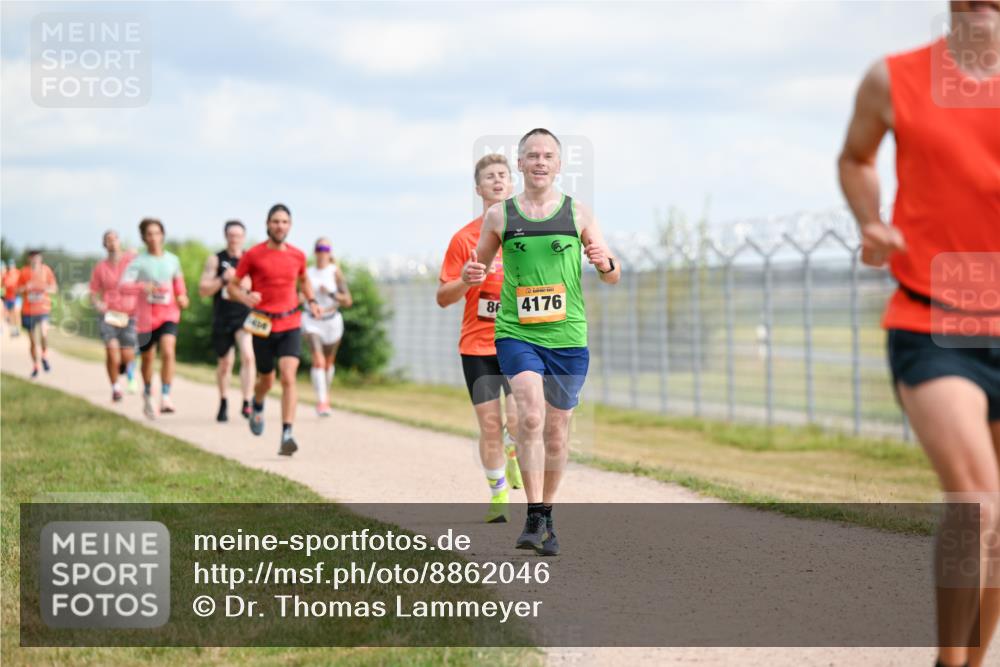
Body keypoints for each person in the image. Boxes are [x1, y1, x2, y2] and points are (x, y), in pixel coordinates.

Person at [838, 4, 999, 666]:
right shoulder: (894, 79)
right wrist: (870, 220)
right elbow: (855, 158)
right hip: (931, 319)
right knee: (979, 508)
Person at [463, 129, 620, 554]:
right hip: (516, 332)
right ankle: (533, 514)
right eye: (532, 155)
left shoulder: (579, 214)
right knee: (530, 416)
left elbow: (610, 273)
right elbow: (475, 266)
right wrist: (470, 275)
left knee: (557, 429)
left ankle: (546, 512)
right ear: (520, 163)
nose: (540, 161)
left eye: (548, 155)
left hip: (568, 335)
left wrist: (605, 263)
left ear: (558, 163)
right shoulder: (500, 216)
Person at [438, 153, 523, 524]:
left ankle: (515, 450)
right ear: (479, 188)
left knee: (522, 421)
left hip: (519, 341)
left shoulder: (526, 234)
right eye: (490, 177)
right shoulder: (464, 238)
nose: (498, 181)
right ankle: (498, 491)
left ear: (512, 182)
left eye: (503, 175)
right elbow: (443, 297)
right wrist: (465, 281)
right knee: (490, 424)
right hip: (477, 345)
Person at [230, 204, 322, 456]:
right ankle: (257, 402)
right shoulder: (253, 255)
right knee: (267, 380)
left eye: (284, 222)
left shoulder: (298, 256)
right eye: (275, 221)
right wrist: (245, 297)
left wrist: (312, 301)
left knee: (288, 376)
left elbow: (304, 281)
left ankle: (287, 434)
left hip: (291, 321)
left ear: (289, 226)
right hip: (262, 323)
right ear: (267, 224)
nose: (280, 226)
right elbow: (232, 287)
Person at [121, 218, 190, 419]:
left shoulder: (173, 260)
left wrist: (183, 297)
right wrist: (142, 286)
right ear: (144, 237)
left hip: (169, 314)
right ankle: (148, 392)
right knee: (148, 358)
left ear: (162, 235)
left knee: (168, 350)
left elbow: (179, 285)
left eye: (157, 233)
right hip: (146, 318)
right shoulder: (138, 262)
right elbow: (123, 286)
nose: (153, 237)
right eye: (149, 234)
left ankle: (166, 396)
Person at [199, 220, 254, 422]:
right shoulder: (215, 260)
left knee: (248, 356)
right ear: (225, 236)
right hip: (222, 317)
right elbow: (203, 290)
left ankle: (247, 402)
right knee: (225, 363)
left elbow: (254, 287)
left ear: (243, 237)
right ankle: (223, 401)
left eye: (238, 236)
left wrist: (240, 281)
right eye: (231, 235)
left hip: (243, 316)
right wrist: (223, 279)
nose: (235, 239)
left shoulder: (249, 259)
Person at [302, 237, 352, 416]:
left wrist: (330, 293)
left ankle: (325, 394)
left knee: (329, 363)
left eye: (326, 248)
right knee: (318, 360)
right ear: (315, 251)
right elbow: (301, 296)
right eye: (320, 248)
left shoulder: (335, 272)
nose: (323, 251)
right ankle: (322, 402)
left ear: (330, 252)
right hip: (312, 321)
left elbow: (347, 300)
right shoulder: (307, 272)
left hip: (332, 321)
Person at [89, 230, 138, 402]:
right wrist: (98, 303)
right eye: (108, 240)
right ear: (104, 245)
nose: (112, 242)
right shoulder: (100, 267)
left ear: (119, 241)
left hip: (130, 314)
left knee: (126, 355)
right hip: (109, 313)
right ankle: (116, 388)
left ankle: (127, 366)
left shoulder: (131, 259)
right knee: (111, 351)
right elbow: (93, 292)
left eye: (114, 238)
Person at [17, 250, 58, 378]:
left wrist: (45, 288)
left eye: (37, 257)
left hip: (43, 308)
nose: (35, 260)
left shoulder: (46, 271)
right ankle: (36, 365)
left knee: (44, 333)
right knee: (33, 341)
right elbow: (17, 290)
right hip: (28, 310)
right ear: (29, 259)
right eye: (33, 257)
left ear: (41, 259)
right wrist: (26, 287)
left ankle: (44, 355)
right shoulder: (24, 272)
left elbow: (54, 288)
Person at [3, 260, 22, 337]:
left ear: (14, 265)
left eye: (12, 265)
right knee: (10, 315)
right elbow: (3, 285)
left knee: (16, 313)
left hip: (16, 296)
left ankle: (18, 330)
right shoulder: (6, 275)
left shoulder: (18, 273)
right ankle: (13, 330)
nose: (11, 267)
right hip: (8, 297)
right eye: (10, 265)